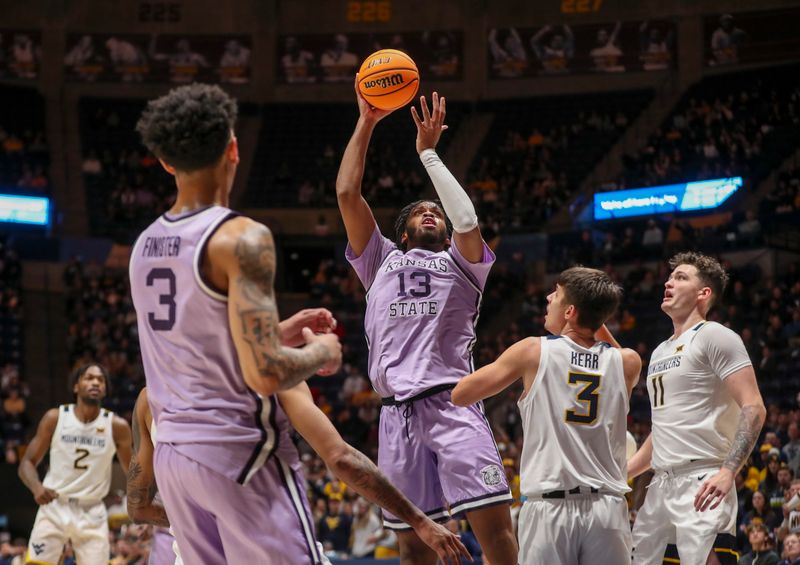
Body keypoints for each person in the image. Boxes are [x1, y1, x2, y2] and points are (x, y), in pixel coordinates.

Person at [131, 83, 341, 564]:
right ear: (233, 148)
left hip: (176, 461)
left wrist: (276, 329)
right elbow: (265, 373)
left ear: (166, 162)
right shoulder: (242, 237)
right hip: (237, 454)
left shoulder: (144, 245)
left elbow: (196, 340)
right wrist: (321, 353)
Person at [337, 82, 517, 564]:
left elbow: (467, 219)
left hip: (452, 403)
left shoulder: (464, 264)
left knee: (497, 535)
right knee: (413, 548)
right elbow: (347, 192)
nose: (430, 213)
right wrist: (368, 121)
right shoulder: (379, 261)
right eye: (420, 212)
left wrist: (429, 155)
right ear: (402, 232)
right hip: (397, 413)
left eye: (435, 211)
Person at [452, 266, 641, 564]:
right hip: (607, 509)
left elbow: (460, 394)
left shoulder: (532, 350)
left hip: (550, 507)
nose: (549, 298)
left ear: (570, 311)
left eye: (556, 293)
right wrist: (594, 316)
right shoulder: (628, 362)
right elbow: (605, 343)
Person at [628, 252, 766, 565]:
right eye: (670, 276)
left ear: (704, 293)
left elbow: (754, 407)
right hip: (661, 483)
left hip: (703, 477)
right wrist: (625, 472)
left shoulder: (715, 336)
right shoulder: (661, 350)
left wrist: (729, 471)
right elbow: (663, 429)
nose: (668, 281)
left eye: (681, 277)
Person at [18, 363, 132, 565]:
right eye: (89, 377)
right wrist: (36, 487)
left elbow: (132, 472)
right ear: (76, 386)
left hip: (92, 509)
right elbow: (27, 462)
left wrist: (139, 502)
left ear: (105, 389)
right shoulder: (55, 418)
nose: (95, 382)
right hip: (54, 504)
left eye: (100, 379)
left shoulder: (117, 426)